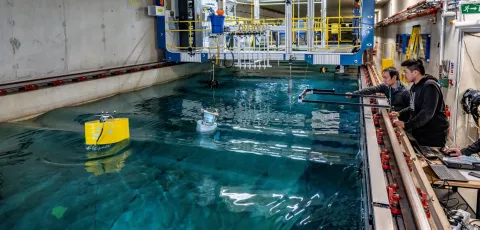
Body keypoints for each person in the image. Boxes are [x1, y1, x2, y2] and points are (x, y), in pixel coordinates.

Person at [392, 59, 449, 147]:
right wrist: (399, 113)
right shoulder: (414, 87)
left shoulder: (430, 86)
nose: (404, 75)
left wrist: (407, 125)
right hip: (420, 131)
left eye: (406, 72)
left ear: (415, 72)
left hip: (432, 135)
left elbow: (427, 113)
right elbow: (412, 107)